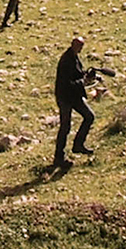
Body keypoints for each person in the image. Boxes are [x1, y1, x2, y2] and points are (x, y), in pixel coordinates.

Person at [53, 35, 104, 172]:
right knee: (65, 126)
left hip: (74, 96)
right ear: (73, 45)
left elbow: (77, 74)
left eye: (81, 46)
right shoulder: (66, 60)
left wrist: (88, 75)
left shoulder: (74, 57)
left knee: (89, 116)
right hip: (65, 97)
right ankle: (59, 157)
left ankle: (78, 145)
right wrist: (84, 81)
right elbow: (67, 83)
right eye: (78, 45)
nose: (80, 48)